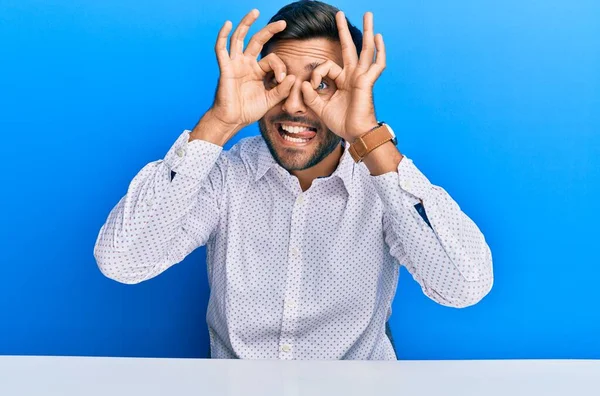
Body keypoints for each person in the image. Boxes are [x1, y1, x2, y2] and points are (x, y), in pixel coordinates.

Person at [94, 0, 493, 361]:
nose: (295, 105)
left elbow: (464, 286)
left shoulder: (380, 185)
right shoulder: (226, 178)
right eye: (277, 80)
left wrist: (368, 136)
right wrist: (219, 122)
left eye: (322, 84)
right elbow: (122, 262)